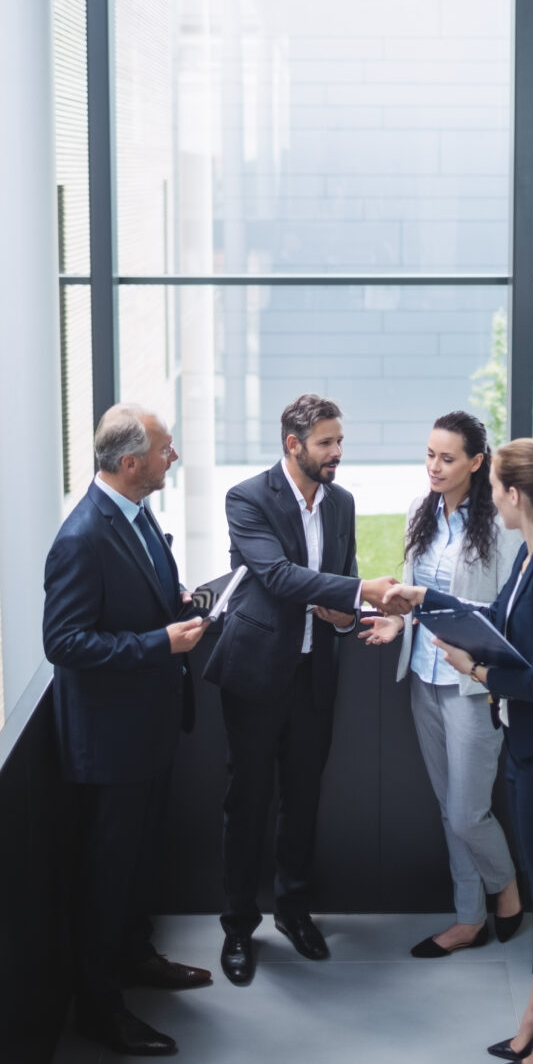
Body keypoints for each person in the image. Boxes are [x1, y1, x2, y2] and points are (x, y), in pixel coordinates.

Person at [382, 438, 533, 1064]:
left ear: (511, 493)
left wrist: (476, 668)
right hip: (532, 746)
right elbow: (498, 621)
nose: (491, 498)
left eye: (496, 487)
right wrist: (425, 603)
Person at [203, 393, 404, 987]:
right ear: (293, 445)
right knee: (248, 804)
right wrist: (359, 591)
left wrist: (343, 614)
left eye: (340, 441)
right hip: (256, 675)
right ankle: (238, 927)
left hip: (316, 674)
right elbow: (276, 576)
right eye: (326, 443)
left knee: (303, 799)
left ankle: (293, 911)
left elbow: (337, 576)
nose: (337, 453)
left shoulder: (341, 503)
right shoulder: (247, 498)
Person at [43, 403, 210, 1058]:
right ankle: (100, 1010)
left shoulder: (137, 515)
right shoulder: (81, 536)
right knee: (106, 878)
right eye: (167, 450)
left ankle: (138, 960)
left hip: (147, 732)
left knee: (140, 864)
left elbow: (137, 597)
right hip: (109, 746)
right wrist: (158, 643)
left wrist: (178, 606)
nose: (175, 459)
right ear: (132, 461)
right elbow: (64, 642)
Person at [360, 410, 523, 956]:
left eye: (447, 458)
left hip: (471, 685)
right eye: (429, 454)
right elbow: (412, 593)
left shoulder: (499, 525)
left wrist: (455, 630)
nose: (433, 466)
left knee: (466, 811)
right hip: (422, 678)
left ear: (477, 463)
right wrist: (397, 620)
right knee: (445, 805)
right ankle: (467, 918)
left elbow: (504, 611)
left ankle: (507, 888)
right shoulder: (419, 511)